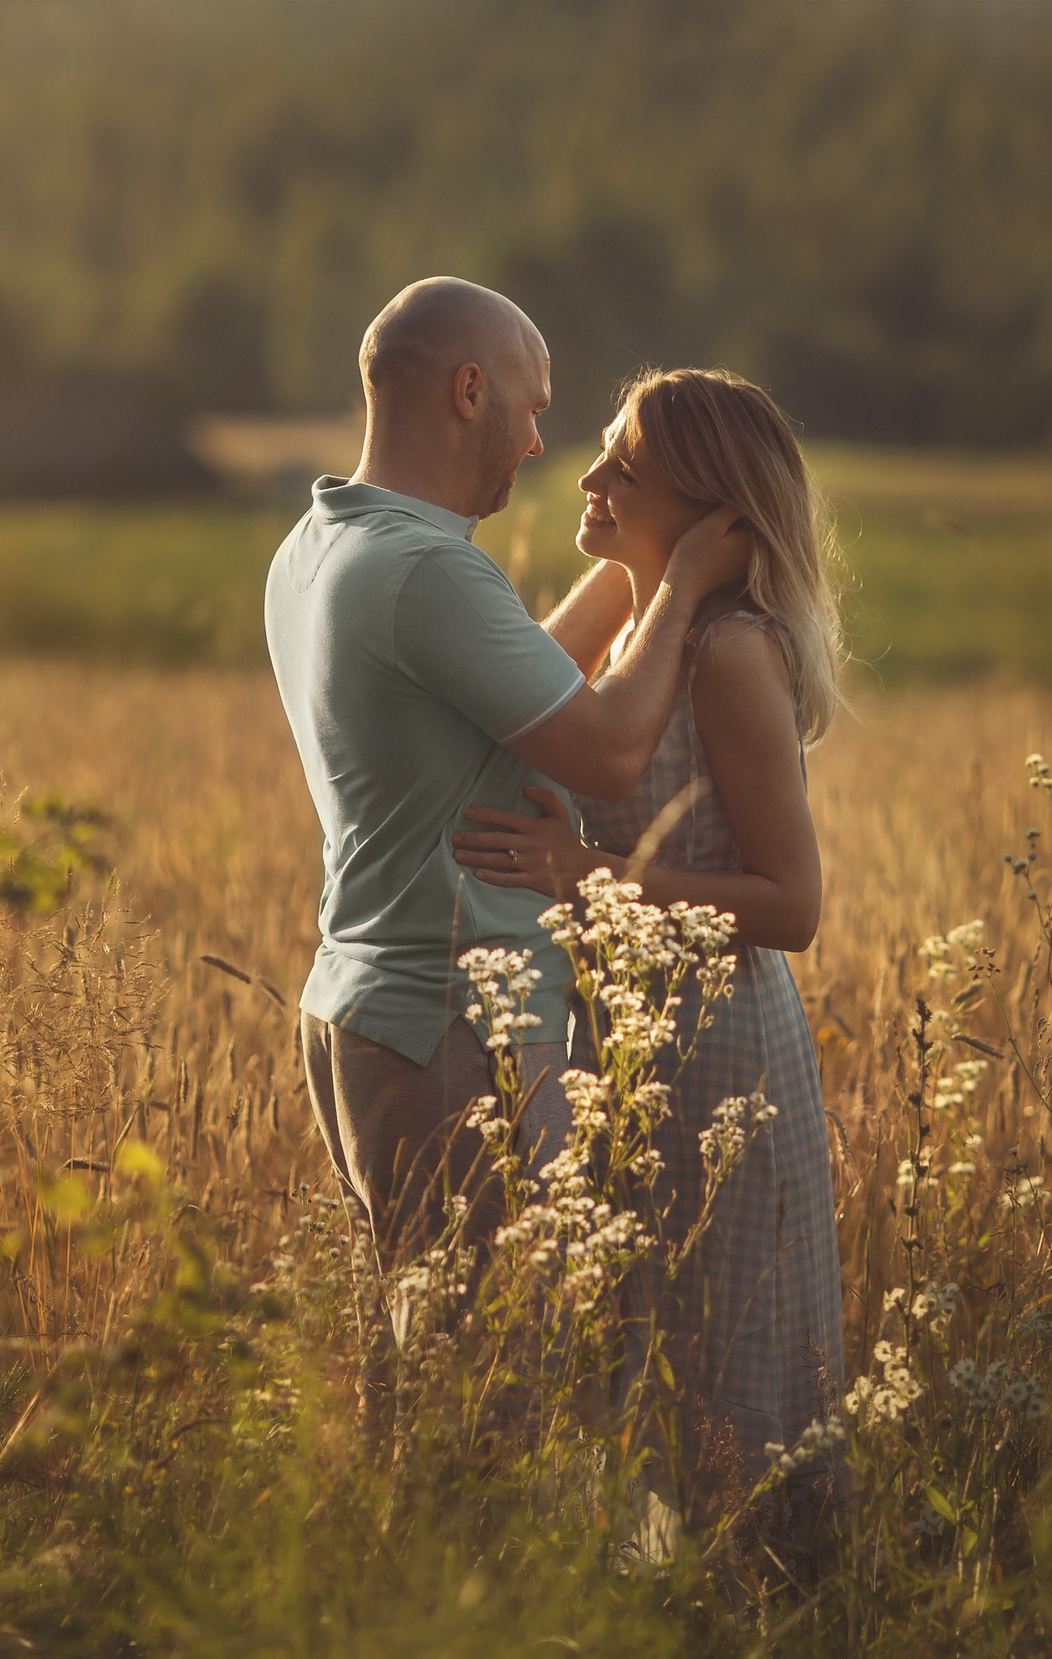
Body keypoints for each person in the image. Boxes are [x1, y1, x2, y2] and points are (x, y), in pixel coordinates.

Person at [264, 280, 749, 1287]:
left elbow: (529, 675)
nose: (538, 442)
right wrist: (687, 580)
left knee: (419, 1367)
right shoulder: (427, 570)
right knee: (490, 1388)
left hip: (363, 1007)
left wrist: (640, 561)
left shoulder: (321, 544)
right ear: (469, 390)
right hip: (449, 1028)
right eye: (532, 406)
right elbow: (610, 748)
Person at [450, 367, 847, 1520]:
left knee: (724, 1364)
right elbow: (521, 692)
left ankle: (767, 1601)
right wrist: (657, 574)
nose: (586, 477)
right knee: (647, 1358)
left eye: (625, 465)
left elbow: (791, 904)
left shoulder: (725, 653)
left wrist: (590, 881)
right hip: (625, 1043)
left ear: (712, 507)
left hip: (719, 1051)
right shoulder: (653, 634)